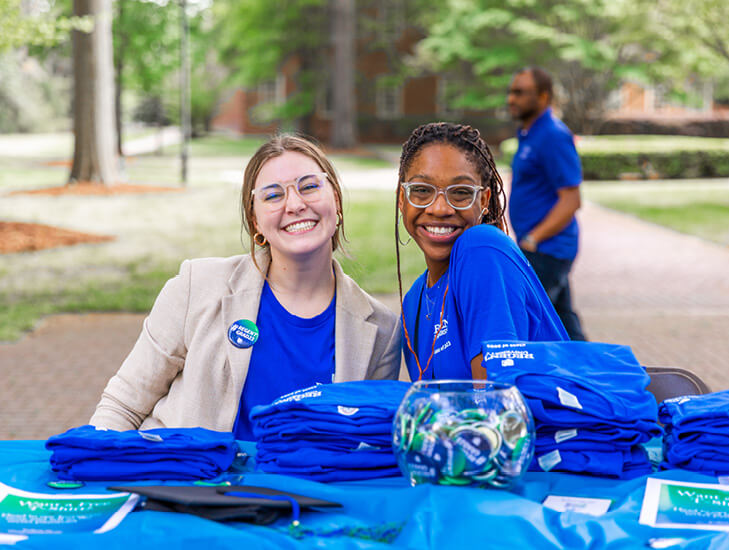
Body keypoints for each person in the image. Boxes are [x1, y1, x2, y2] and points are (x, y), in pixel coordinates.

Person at [91, 135, 401, 439]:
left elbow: (367, 447)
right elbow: (122, 406)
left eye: (309, 187)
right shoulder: (195, 287)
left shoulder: (381, 331)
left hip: (306, 490)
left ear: (336, 201)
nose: (294, 204)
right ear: (255, 221)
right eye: (273, 195)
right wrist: (95, 476)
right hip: (187, 487)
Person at [394, 122, 568, 382]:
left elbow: (496, 408)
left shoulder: (483, 250)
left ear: (484, 201)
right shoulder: (413, 303)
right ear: (401, 198)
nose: (440, 208)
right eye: (421, 190)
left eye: (461, 192)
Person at [507, 66, 586, 341]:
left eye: (520, 93)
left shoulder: (553, 135)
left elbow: (572, 200)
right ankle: (593, 374)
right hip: (539, 249)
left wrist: (533, 238)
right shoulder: (530, 134)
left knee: (530, 327)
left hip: (546, 250)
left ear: (543, 97)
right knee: (565, 326)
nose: (511, 99)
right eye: (510, 92)